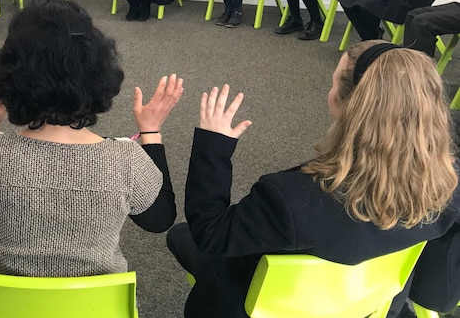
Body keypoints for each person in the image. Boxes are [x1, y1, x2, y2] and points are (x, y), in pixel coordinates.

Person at [167, 41, 460, 318]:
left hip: (254, 307)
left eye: (333, 83)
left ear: (346, 103)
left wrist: (213, 147)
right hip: (370, 303)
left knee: (182, 235)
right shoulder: (449, 186)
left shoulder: (287, 201)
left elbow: (211, 233)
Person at [0, 0, 178, 277]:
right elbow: (160, 219)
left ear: (9, 76)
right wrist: (151, 132)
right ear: (99, 76)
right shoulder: (127, 160)